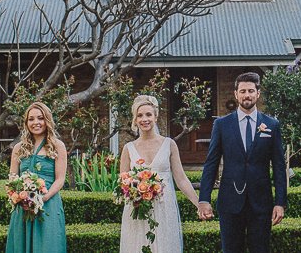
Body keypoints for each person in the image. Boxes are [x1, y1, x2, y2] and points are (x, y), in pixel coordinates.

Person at [198, 72, 288, 253]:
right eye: (243, 91)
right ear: (236, 94)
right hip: (230, 201)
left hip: (261, 202)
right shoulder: (222, 124)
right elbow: (211, 163)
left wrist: (280, 202)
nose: (247, 95)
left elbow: (279, 166)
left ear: (258, 93)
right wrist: (204, 199)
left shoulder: (272, 124)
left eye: (251, 91)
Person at [119, 95, 201, 252]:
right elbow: (123, 181)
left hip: (164, 206)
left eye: (148, 114)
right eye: (140, 115)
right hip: (137, 209)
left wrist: (199, 203)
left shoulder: (169, 144)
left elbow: (181, 179)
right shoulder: (128, 148)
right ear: (135, 120)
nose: (144, 119)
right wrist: (134, 191)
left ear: (156, 117)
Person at [6, 102, 67, 253]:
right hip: (23, 206)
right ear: (26, 123)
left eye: (40, 118)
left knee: (48, 246)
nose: (36, 123)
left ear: (47, 120)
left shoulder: (58, 146)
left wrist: (42, 199)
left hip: (49, 204)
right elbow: (13, 178)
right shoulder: (18, 148)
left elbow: (60, 180)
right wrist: (19, 197)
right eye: (31, 119)